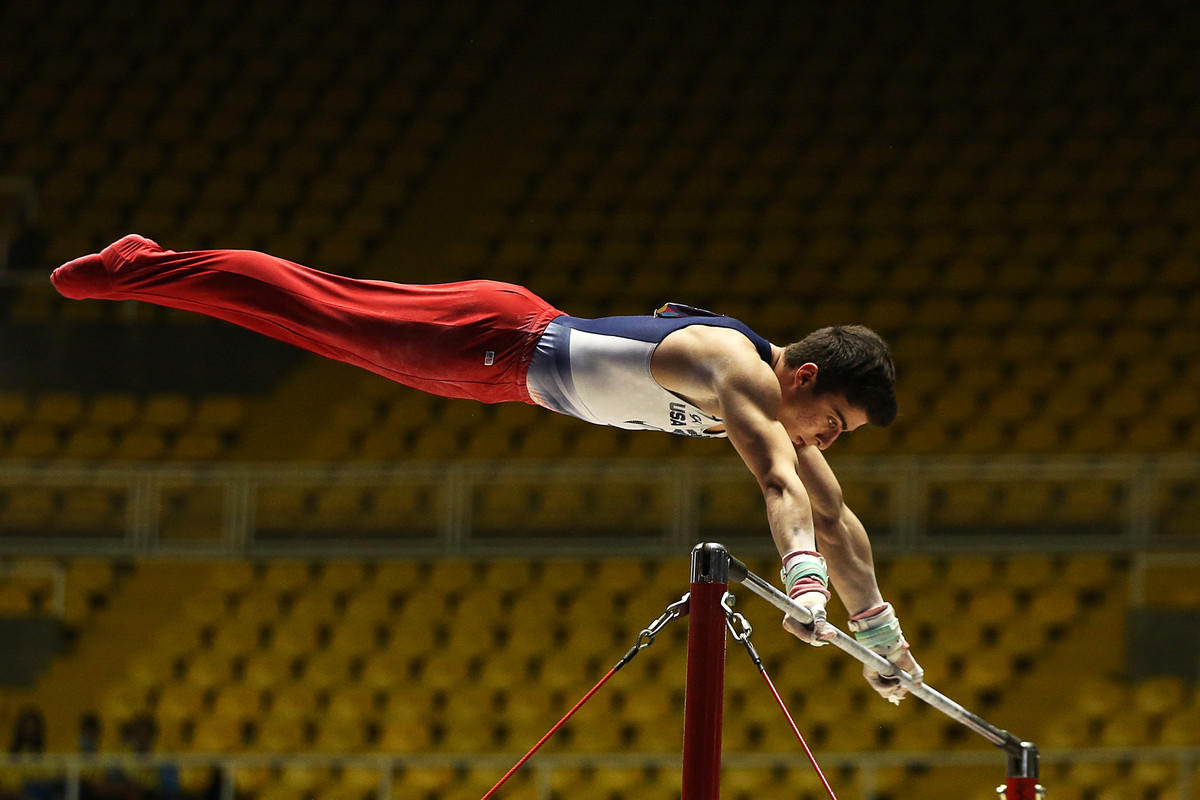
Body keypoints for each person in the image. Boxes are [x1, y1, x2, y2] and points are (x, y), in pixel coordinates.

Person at [51, 234, 922, 701]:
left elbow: (835, 519)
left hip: (501, 375)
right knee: (318, 309)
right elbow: (777, 485)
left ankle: (156, 271)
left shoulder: (783, 413)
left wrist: (880, 636)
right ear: (803, 376)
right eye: (833, 423)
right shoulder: (739, 369)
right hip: (498, 338)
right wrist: (802, 580)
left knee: (321, 327)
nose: (826, 443)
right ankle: (143, 266)